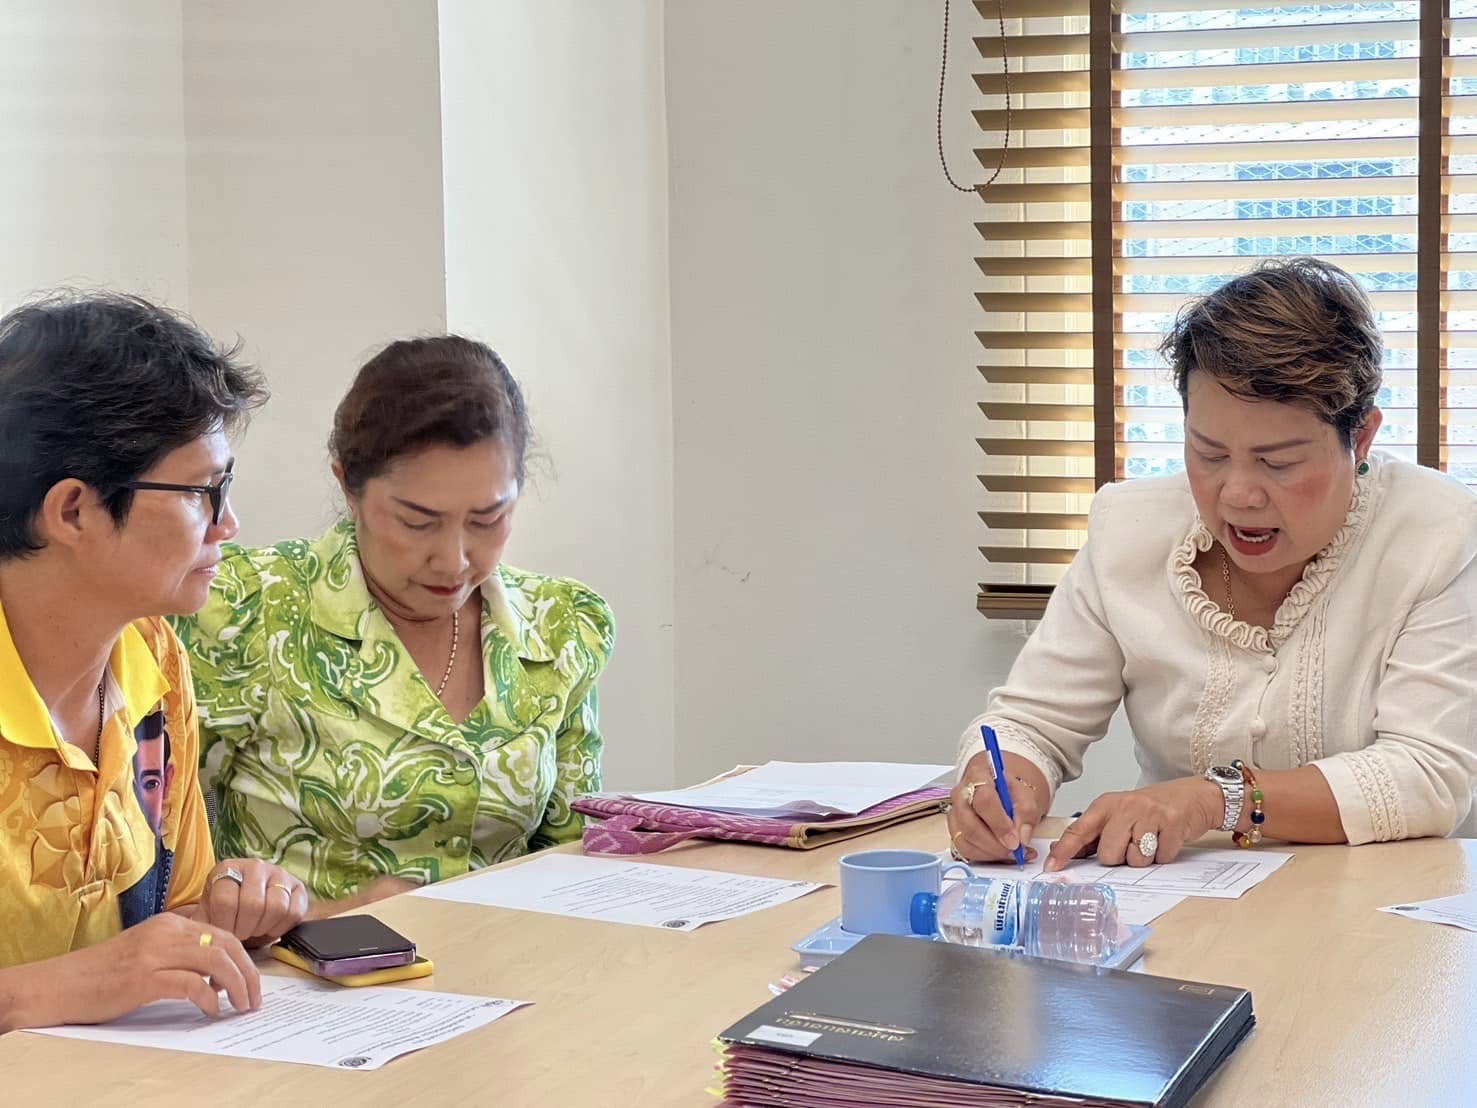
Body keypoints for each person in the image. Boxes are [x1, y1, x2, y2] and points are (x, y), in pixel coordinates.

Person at [950, 258, 1477, 872]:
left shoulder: (1435, 532)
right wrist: (996, 788)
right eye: (1209, 453)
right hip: (1176, 903)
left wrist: (1215, 799)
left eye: (1278, 461)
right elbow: (1032, 722)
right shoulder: (1131, 531)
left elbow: (1427, 774)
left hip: (1372, 908)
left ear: (1359, 439)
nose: (1238, 494)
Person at [175, 336, 615, 902]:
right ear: (347, 486)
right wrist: (325, 915)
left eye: (488, 520)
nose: (454, 559)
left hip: (512, 972)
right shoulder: (243, 612)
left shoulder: (561, 628)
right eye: (417, 522)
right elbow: (162, 873)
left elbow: (576, 861)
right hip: (299, 978)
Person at [0, 293, 310, 1032]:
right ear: (73, 511)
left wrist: (234, 906)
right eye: (207, 492)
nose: (229, 524)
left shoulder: (152, 655)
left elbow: (172, 919)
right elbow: (99, 978)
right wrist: (36, 993)